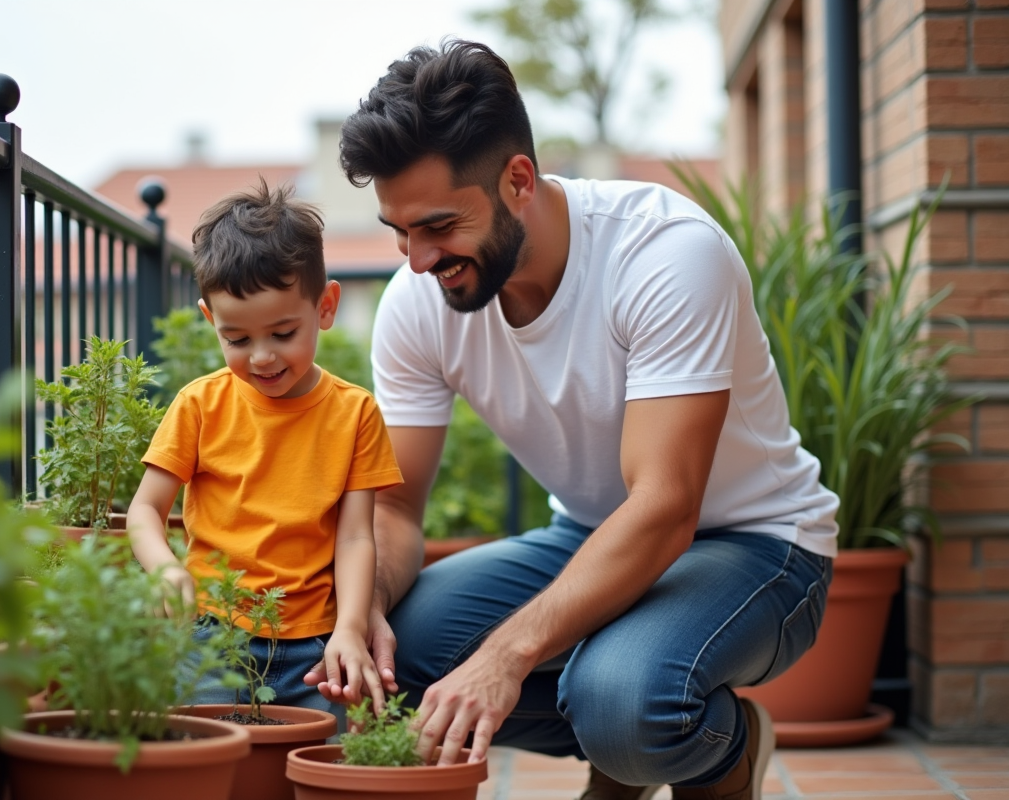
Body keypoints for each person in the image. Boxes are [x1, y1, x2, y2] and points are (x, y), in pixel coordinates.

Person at [304, 40, 838, 799]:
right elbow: (393, 505)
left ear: (518, 179)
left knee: (622, 700)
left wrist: (506, 656)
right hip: (589, 534)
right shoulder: (417, 302)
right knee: (401, 660)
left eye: (439, 227)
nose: (417, 260)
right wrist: (359, 619)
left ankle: (715, 746)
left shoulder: (664, 255)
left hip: (759, 547)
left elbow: (664, 508)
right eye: (400, 232)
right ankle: (624, 749)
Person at [128, 180, 403, 717]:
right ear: (211, 321)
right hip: (209, 633)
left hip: (314, 645)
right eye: (237, 339)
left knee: (316, 764)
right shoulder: (199, 405)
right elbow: (145, 509)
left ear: (325, 307)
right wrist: (164, 568)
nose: (261, 357)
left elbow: (353, 537)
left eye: (282, 333)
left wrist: (350, 627)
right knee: (202, 759)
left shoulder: (355, 414)